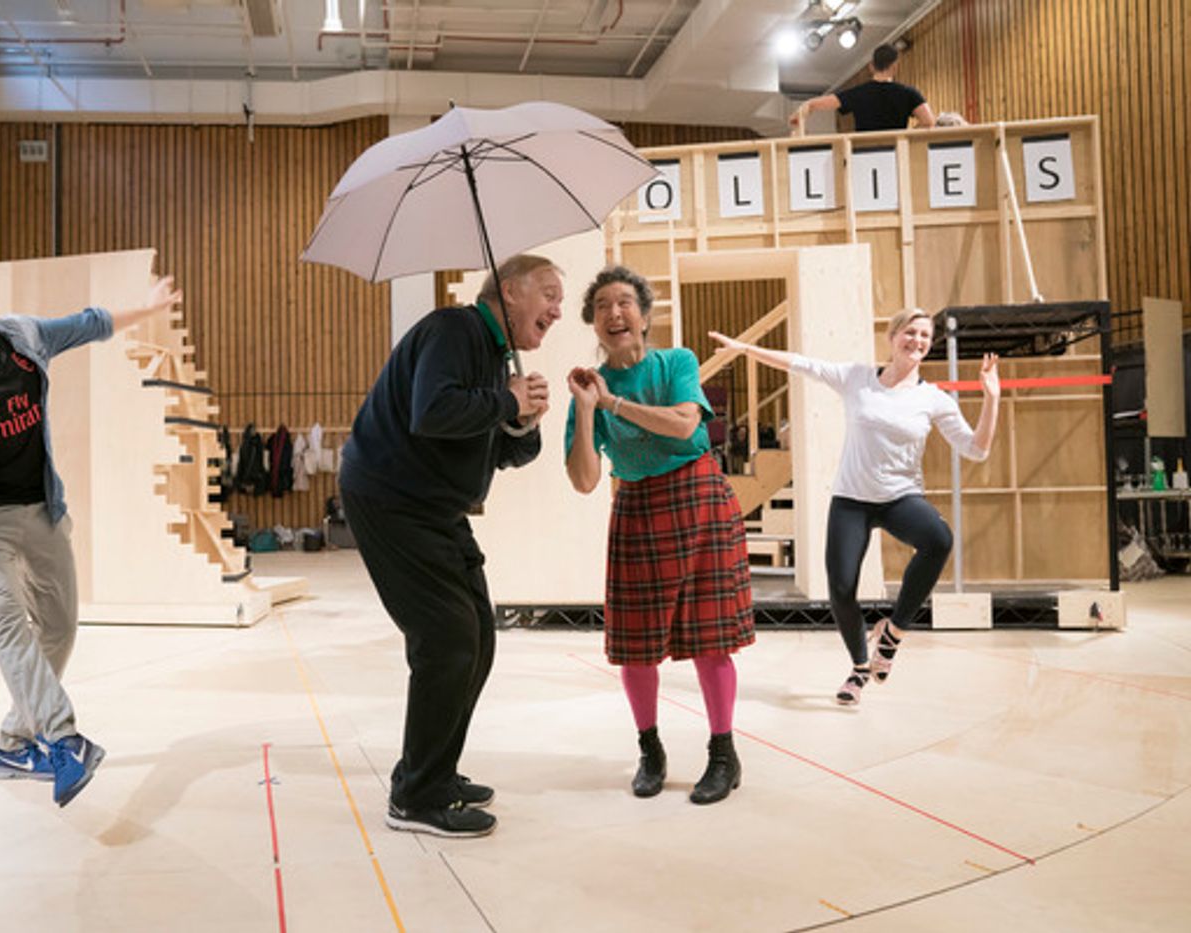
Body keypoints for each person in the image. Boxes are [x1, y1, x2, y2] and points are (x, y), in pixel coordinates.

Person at [0, 240, 183, 806]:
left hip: (40, 510)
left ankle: (12, 742)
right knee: (8, 625)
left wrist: (148, 310)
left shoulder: (25, 337)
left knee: (59, 628)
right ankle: (62, 738)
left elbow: (90, 324)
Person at [339, 253, 562, 838]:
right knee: (447, 637)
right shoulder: (452, 330)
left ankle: (431, 770)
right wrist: (507, 402)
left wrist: (524, 421)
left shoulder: (494, 357)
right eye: (548, 294)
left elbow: (500, 452)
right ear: (509, 292)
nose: (558, 309)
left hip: (436, 507)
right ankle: (416, 797)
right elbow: (433, 413)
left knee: (478, 637)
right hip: (392, 497)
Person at [710, 309, 1000, 706]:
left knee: (938, 539)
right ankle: (859, 670)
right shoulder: (857, 378)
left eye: (924, 336)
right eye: (910, 332)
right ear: (892, 336)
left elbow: (977, 449)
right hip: (852, 499)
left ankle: (892, 634)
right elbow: (800, 363)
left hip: (901, 498)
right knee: (842, 588)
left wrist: (991, 399)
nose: (917, 340)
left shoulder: (932, 399)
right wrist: (745, 349)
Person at [565, 266, 754, 805]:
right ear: (594, 324)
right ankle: (650, 750)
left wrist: (613, 405)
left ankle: (723, 753)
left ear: (645, 317)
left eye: (624, 302)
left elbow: (684, 425)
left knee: (710, 636)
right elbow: (583, 480)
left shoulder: (677, 362)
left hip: (699, 500)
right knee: (636, 645)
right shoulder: (590, 388)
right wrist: (584, 412)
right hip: (636, 506)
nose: (614, 313)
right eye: (602, 306)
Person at [790, 43, 936, 134]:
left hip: (864, 153)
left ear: (871, 66)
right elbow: (928, 122)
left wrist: (800, 112)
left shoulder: (858, 93)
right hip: (896, 152)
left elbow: (814, 104)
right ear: (895, 66)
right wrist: (905, 136)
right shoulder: (909, 93)